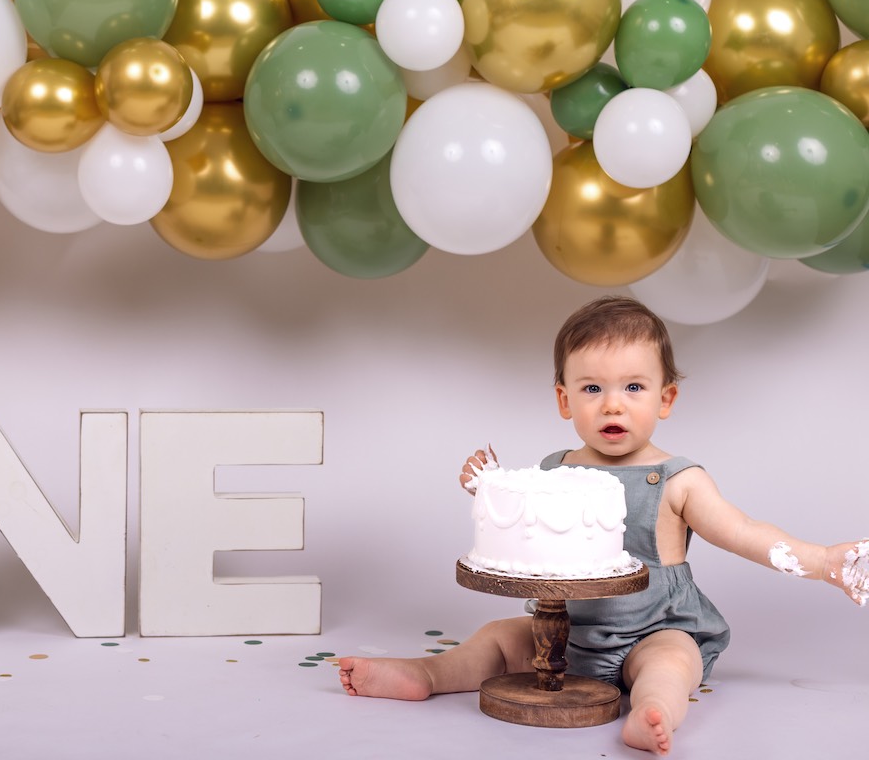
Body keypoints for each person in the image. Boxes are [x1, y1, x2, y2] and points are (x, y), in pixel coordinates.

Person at [337, 295, 867, 756]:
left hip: (653, 628)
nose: (613, 403)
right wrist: (489, 488)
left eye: (634, 386)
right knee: (497, 639)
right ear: (565, 399)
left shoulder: (679, 480)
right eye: (592, 389)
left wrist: (822, 562)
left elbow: (742, 529)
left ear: (666, 397)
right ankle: (426, 675)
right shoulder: (557, 470)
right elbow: (525, 518)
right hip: (562, 631)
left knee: (671, 664)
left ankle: (651, 712)